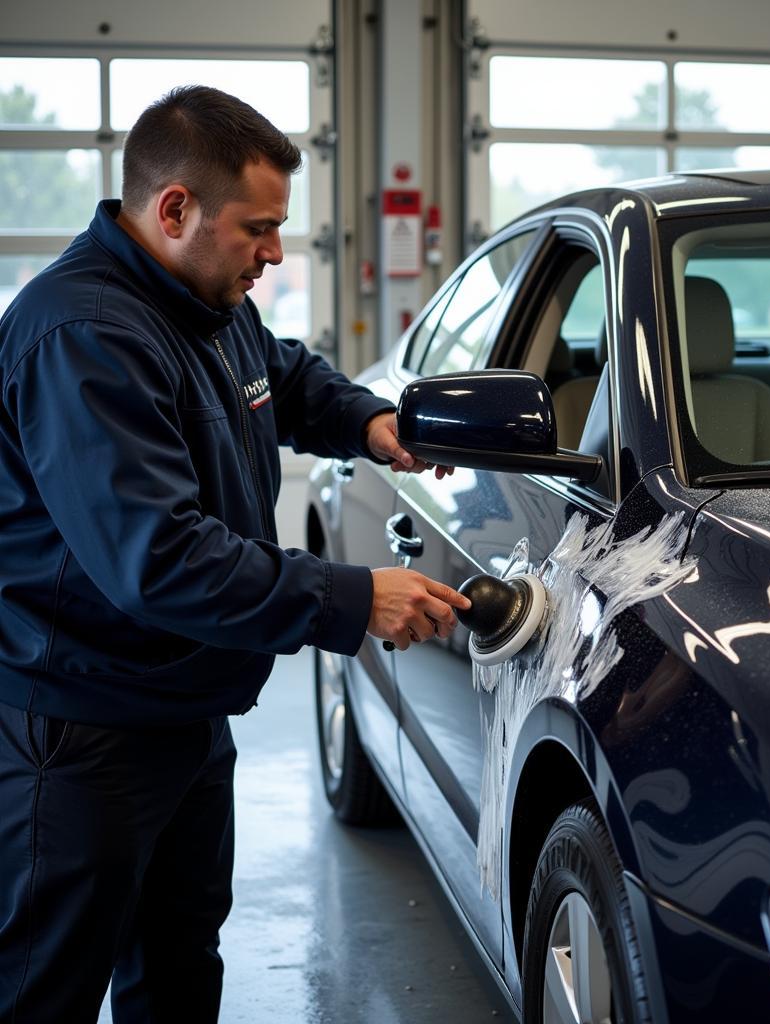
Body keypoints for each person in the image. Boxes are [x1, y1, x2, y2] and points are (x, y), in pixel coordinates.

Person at [0, 85, 469, 1023]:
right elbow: (158, 557)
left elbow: (279, 376)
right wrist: (351, 597)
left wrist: (369, 420)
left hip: (181, 703)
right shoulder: (85, 335)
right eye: (259, 228)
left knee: (178, 961)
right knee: (44, 987)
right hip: (84, 729)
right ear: (175, 209)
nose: (276, 254)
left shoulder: (199, 297)